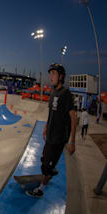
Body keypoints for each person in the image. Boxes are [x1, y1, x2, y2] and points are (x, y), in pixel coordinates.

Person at [26, 63, 76, 198]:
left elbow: (73, 117)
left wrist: (72, 141)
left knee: (46, 167)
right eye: (50, 74)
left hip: (58, 138)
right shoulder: (53, 93)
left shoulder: (66, 94)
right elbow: (51, 114)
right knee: (44, 159)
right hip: (50, 135)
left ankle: (40, 189)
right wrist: (46, 127)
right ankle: (51, 168)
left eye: (54, 73)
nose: (51, 76)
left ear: (61, 76)